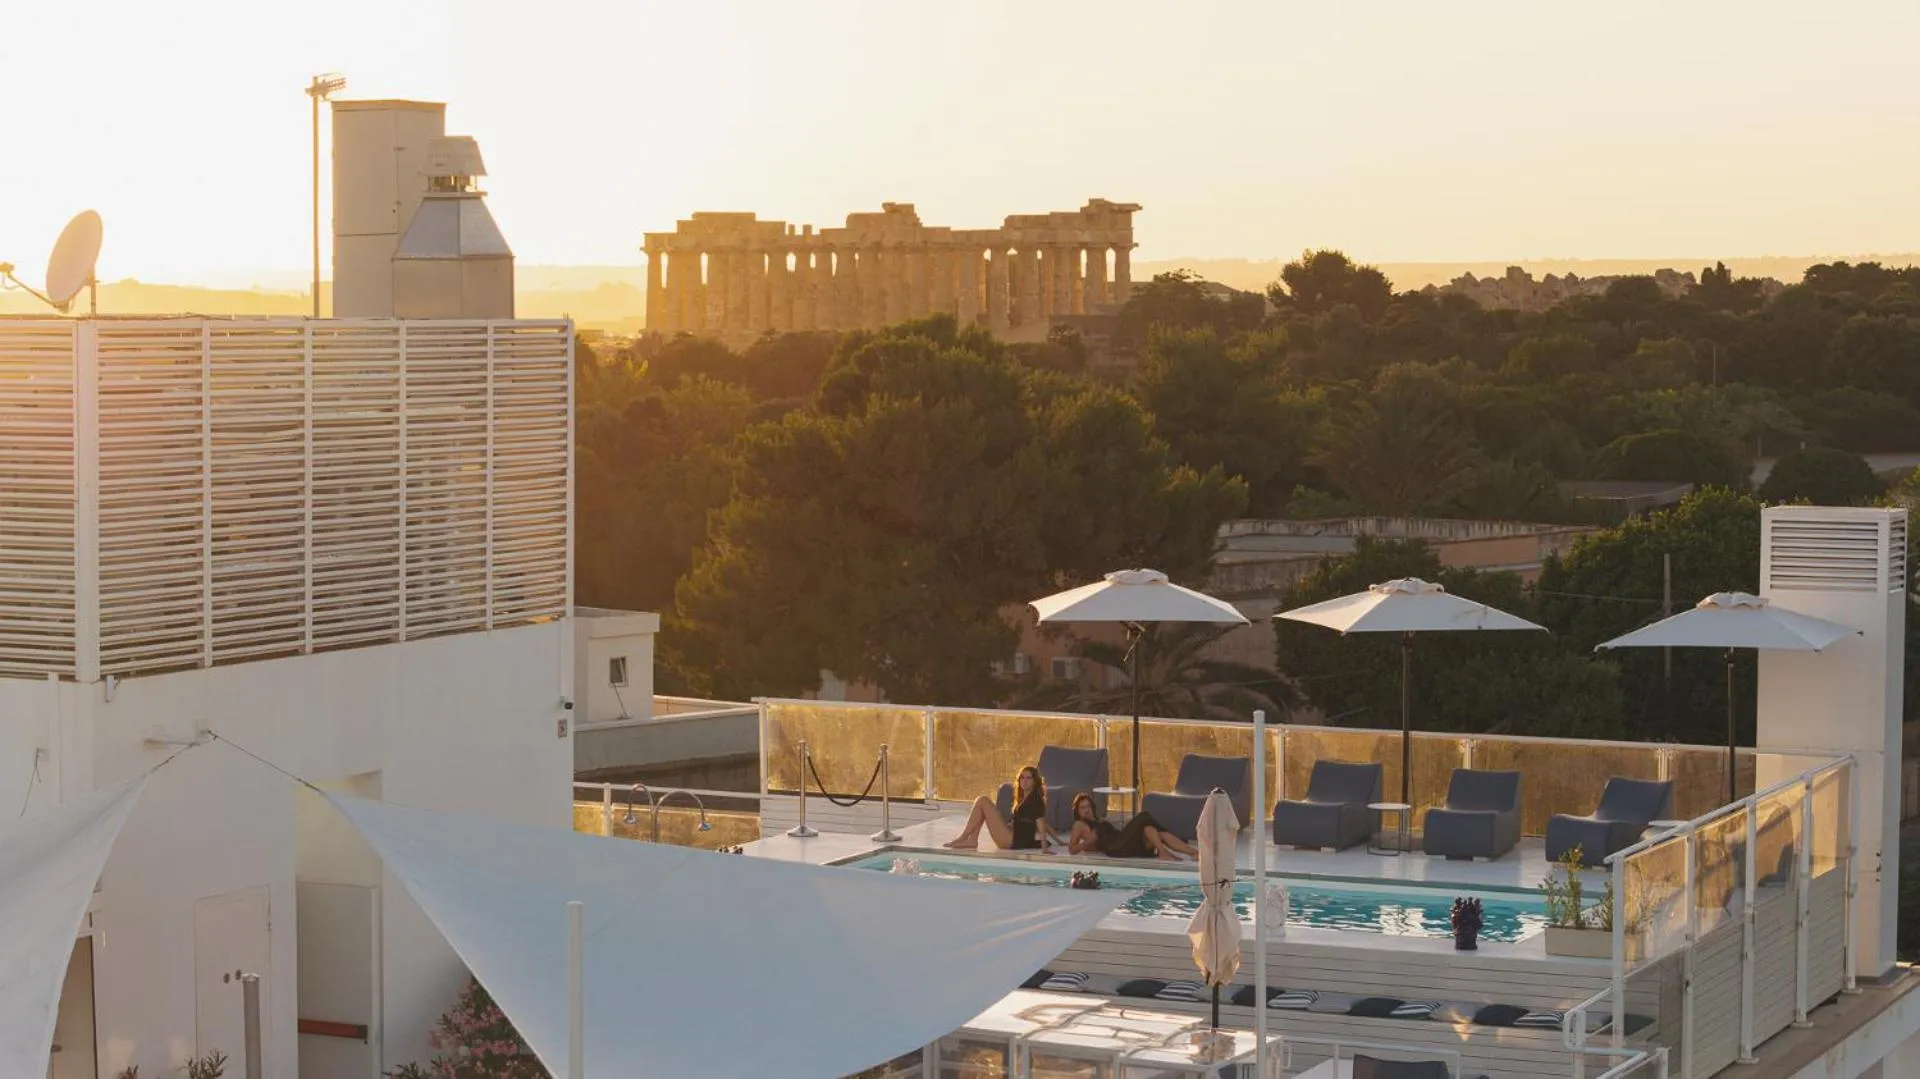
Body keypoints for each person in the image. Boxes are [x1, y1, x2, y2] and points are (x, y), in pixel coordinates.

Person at [945, 765, 1052, 850]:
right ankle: (972, 840)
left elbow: (1040, 823)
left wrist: (1044, 847)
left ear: (1035, 781)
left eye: (1029, 778)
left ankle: (963, 838)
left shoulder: (1035, 800)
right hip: (1012, 836)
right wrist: (1058, 841)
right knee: (982, 804)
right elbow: (1038, 823)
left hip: (1011, 841)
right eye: (1022, 778)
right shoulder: (1026, 797)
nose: (1024, 781)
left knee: (983, 800)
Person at [1066, 791, 1198, 861]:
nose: (1086, 810)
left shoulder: (1098, 819)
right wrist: (1089, 841)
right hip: (1116, 847)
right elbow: (1072, 849)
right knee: (1144, 815)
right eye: (1082, 808)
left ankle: (1195, 853)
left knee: (1149, 829)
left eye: (1088, 806)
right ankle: (1163, 852)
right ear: (1077, 811)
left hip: (1122, 841)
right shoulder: (1079, 825)